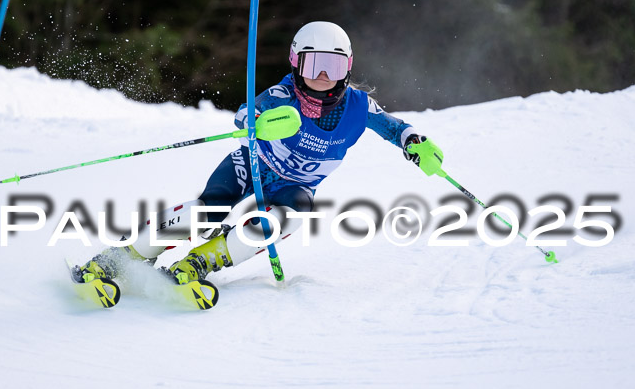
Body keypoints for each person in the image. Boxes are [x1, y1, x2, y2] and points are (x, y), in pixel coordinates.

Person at [72, 21, 444, 303]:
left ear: (349, 66)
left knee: (282, 221)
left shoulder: (359, 107)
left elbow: (394, 127)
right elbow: (248, 110)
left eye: (333, 66)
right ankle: (119, 258)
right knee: (207, 211)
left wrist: (415, 142)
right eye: (315, 66)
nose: (323, 77)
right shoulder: (284, 94)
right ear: (297, 63)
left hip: (294, 187)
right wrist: (254, 122)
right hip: (250, 164)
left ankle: (200, 263)